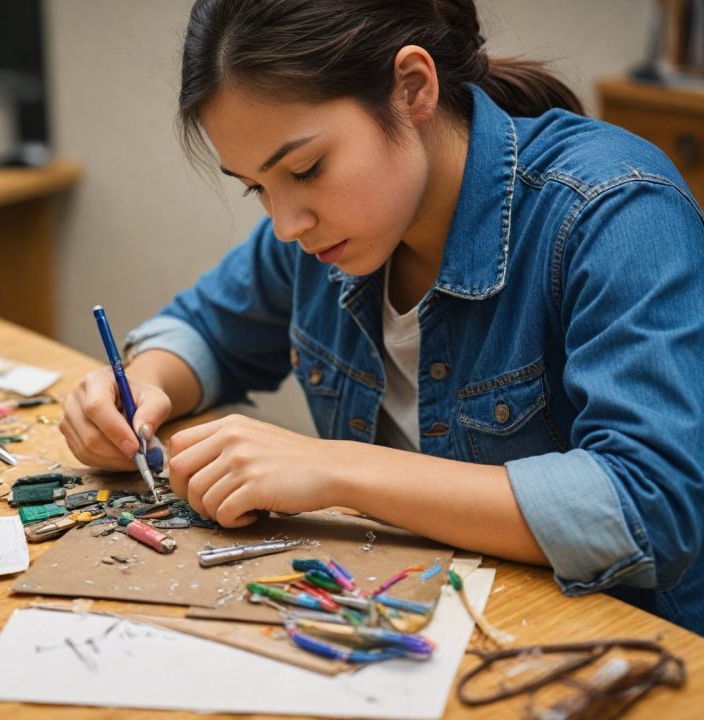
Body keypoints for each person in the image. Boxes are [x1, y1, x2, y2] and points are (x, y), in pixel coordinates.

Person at [60, 0, 704, 634]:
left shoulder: (616, 212)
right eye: (258, 187)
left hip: (615, 648)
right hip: (429, 623)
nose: (286, 224)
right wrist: (140, 389)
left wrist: (336, 469)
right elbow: (203, 329)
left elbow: (649, 506)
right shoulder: (330, 234)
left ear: (412, 89)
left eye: (306, 169)